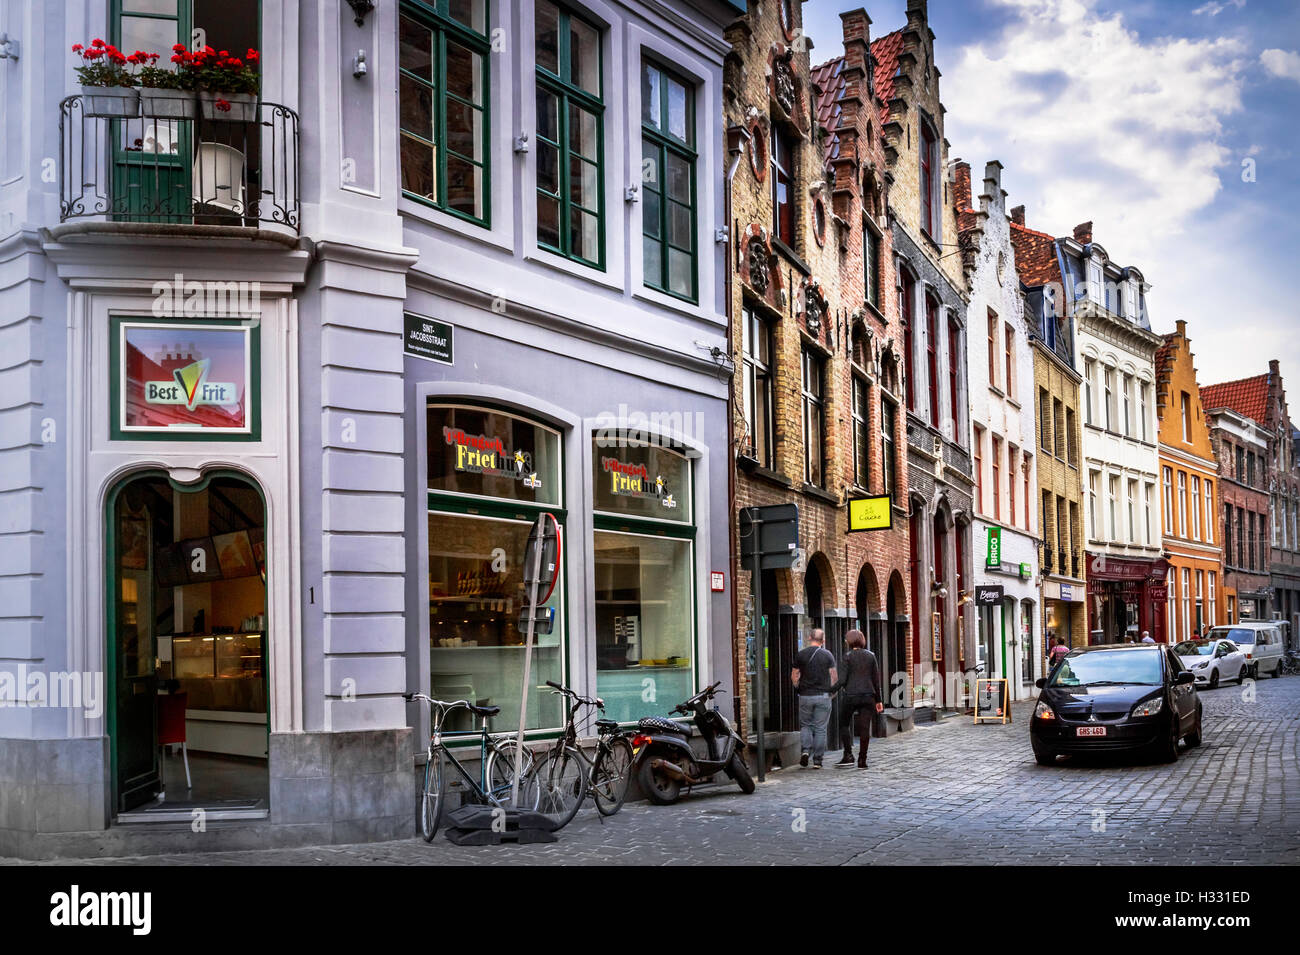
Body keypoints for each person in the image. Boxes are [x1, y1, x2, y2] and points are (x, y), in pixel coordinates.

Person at [833, 629, 884, 769]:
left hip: (851, 696)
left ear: (849, 641)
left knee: (844, 724)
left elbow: (842, 680)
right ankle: (862, 760)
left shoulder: (847, 656)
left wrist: (830, 690)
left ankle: (848, 755)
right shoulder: (871, 656)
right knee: (864, 728)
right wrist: (879, 701)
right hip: (868, 696)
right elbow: (876, 680)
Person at [792, 628, 837, 769]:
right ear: (823, 641)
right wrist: (832, 693)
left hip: (805, 695)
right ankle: (817, 760)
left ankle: (805, 751)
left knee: (805, 725)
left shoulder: (801, 654)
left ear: (809, 638)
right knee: (820, 728)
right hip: (823, 696)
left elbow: (794, 676)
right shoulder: (828, 655)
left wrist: (798, 688)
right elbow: (834, 677)